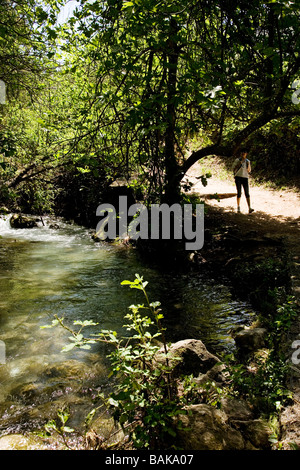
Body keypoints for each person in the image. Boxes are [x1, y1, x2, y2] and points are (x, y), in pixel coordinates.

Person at [232, 149, 254, 214]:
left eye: (244, 152)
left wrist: (248, 164)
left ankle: (249, 208)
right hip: (238, 177)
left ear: (246, 154)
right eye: (242, 152)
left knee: (247, 193)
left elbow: (249, 170)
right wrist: (239, 164)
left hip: (245, 178)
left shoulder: (247, 161)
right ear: (240, 153)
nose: (243, 153)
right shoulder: (237, 160)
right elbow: (233, 168)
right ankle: (238, 207)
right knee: (239, 193)